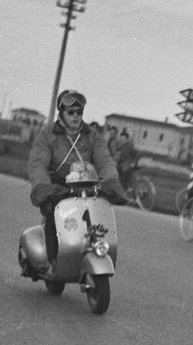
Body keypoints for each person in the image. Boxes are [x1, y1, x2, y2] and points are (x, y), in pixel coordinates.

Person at [27, 89, 125, 279]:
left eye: (79, 113)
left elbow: (104, 160)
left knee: (94, 214)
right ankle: (52, 260)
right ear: (61, 113)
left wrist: (111, 182)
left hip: (85, 184)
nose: (75, 116)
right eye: (70, 112)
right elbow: (38, 163)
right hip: (56, 186)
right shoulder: (47, 134)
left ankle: (92, 250)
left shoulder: (92, 135)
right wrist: (43, 186)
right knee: (54, 214)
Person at [114, 128, 141, 197]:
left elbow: (137, 153)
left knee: (123, 180)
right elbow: (119, 157)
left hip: (127, 166)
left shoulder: (129, 146)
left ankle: (123, 194)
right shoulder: (120, 146)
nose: (122, 140)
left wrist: (134, 162)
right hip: (122, 165)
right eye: (121, 139)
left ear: (126, 140)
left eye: (124, 139)